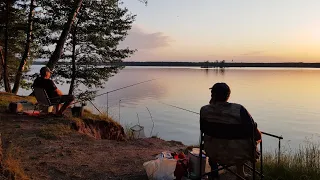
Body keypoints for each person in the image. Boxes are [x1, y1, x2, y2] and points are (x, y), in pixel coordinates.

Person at [200, 82, 261, 179]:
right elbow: (257, 136)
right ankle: (240, 173)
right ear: (228, 96)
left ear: (212, 95)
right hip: (238, 154)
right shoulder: (239, 110)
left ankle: (215, 171)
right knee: (244, 142)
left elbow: (203, 131)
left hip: (213, 152)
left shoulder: (204, 110)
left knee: (221, 140)